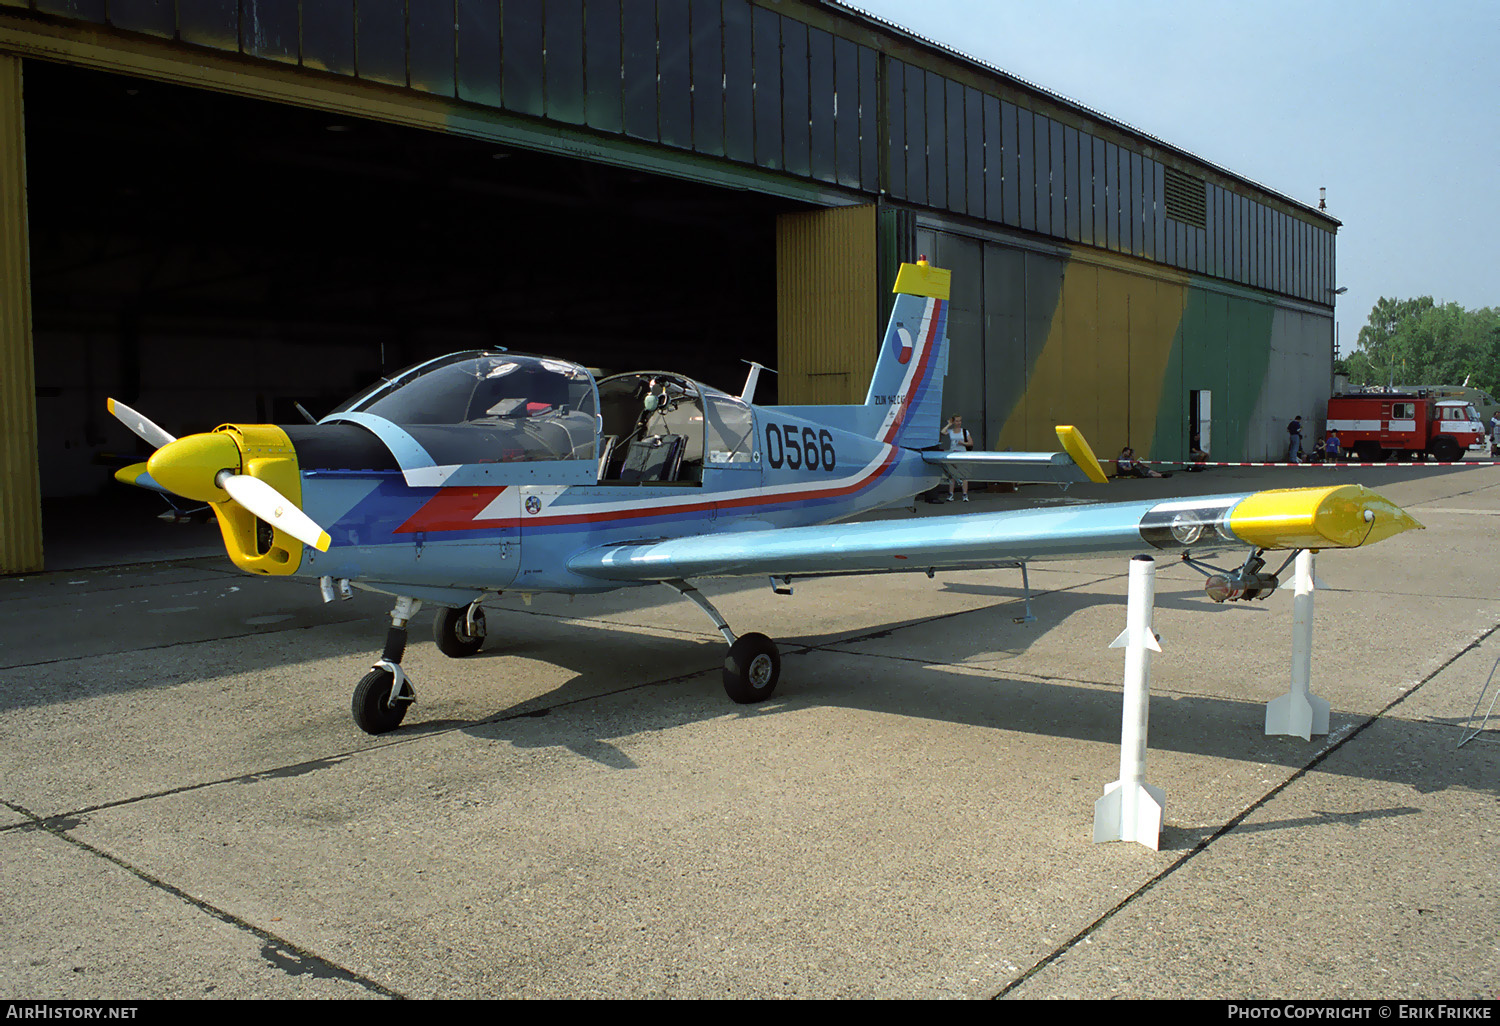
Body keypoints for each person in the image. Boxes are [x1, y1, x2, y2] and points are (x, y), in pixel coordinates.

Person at [943, 414, 973, 501]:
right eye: (956, 421)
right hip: (953, 454)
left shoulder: (965, 431)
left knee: (964, 475)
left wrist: (963, 443)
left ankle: (965, 495)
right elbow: (943, 432)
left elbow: (971, 443)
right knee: (952, 475)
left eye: (960, 421)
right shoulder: (951, 431)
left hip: (962, 454)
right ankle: (951, 494)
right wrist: (949, 424)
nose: (958, 423)